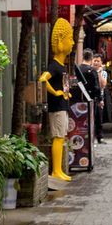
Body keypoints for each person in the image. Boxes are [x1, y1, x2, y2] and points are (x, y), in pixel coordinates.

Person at [39, 17, 74, 182]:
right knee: (58, 137)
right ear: (61, 41)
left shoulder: (61, 66)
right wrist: (55, 93)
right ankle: (56, 170)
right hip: (57, 107)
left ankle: (59, 169)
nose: (73, 42)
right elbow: (42, 79)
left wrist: (65, 93)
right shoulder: (53, 66)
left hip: (62, 106)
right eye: (70, 39)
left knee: (61, 137)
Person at [78, 50, 100, 144]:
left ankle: (80, 138)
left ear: (82, 57)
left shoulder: (77, 69)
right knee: (90, 119)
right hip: (90, 98)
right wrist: (99, 98)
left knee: (79, 120)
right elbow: (96, 86)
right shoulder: (92, 71)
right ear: (91, 58)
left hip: (78, 97)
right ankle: (90, 139)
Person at [92, 53, 108, 144]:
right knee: (91, 118)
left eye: (98, 61)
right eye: (95, 61)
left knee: (99, 118)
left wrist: (99, 73)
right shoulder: (89, 71)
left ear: (101, 62)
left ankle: (100, 137)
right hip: (90, 97)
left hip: (99, 97)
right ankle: (92, 137)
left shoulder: (103, 73)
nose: (96, 63)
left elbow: (103, 85)